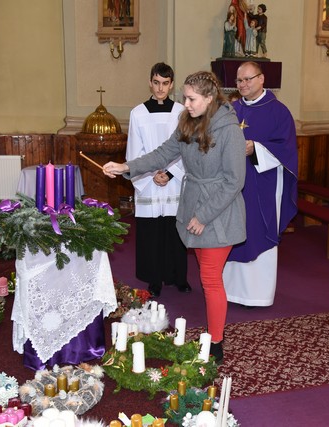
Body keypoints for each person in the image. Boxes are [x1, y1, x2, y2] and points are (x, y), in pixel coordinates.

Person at [103, 71, 246, 362]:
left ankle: (216, 342)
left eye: (192, 99)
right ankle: (214, 333)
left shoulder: (229, 130)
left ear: (209, 98)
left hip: (219, 211)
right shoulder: (187, 121)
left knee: (210, 279)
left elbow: (234, 182)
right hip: (194, 203)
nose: (186, 104)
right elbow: (162, 154)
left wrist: (203, 216)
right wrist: (125, 167)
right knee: (207, 276)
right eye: (185, 98)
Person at [223, 61, 298, 308]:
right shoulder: (231, 109)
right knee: (233, 229)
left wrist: (255, 148)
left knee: (257, 229)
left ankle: (257, 295)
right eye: (239, 80)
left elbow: (286, 149)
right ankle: (229, 290)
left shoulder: (279, 112)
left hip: (263, 184)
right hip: (233, 184)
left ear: (262, 79)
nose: (243, 84)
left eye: (248, 79)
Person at [126, 63, 190, 297]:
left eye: (165, 83)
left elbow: (186, 148)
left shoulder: (182, 112)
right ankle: (154, 280)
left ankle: (179, 277)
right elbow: (135, 150)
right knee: (152, 234)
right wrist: (151, 174)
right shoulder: (138, 113)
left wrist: (171, 173)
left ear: (171, 85)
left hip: (175, 181)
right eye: (156, 83)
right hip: (149, 182)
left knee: (175, 232)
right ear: (150, 83)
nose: (160, 88)